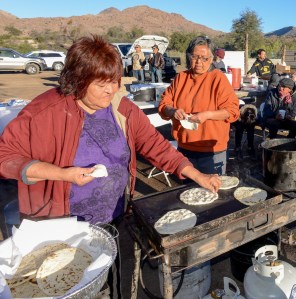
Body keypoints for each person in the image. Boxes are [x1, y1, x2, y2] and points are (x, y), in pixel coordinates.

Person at [0, 35, 221, 298]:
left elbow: (156, 146)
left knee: (122, 282)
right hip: (63, 226)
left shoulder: (121, 108)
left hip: (118, 217)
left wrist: (198, 175)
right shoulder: (45, 111)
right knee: (71, 286)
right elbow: (6, 157)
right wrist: (61, 174)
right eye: (102, 84)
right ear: (78, 80)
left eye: (115, 81)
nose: (112, 90)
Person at [158, 36, 240, 175]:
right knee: (189, 193)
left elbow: (232, 111)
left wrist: (207, 115)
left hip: (212, 151)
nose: (199, 62)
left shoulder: (218, 78)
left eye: (204, 58)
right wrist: (173, 111)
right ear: (189, 56)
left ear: (212, 58)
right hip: (185, 148)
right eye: (195, 57)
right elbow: (164, 103)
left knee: (214, 192)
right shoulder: (181, 78)